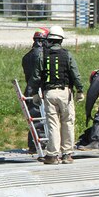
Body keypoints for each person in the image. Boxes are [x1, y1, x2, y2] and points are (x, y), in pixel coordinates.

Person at [27, 25, 84, 165]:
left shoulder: (42, 55)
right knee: (68, 123)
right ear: (61, 40)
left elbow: (35, 76)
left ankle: (52, 155)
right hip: (65, 93)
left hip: (49, 93)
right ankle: (67, 154)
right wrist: (80, 90)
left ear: (49, 39)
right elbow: (75, 74)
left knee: (53, 125)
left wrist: (34, 93)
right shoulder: (67, 55)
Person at [21, 27, 49, 154]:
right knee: (41, 118)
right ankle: (40, 144)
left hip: (29, 89)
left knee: (33, 118)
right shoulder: (44, 55)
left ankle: (33, 145)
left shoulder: (26, 56)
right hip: (40, 89)